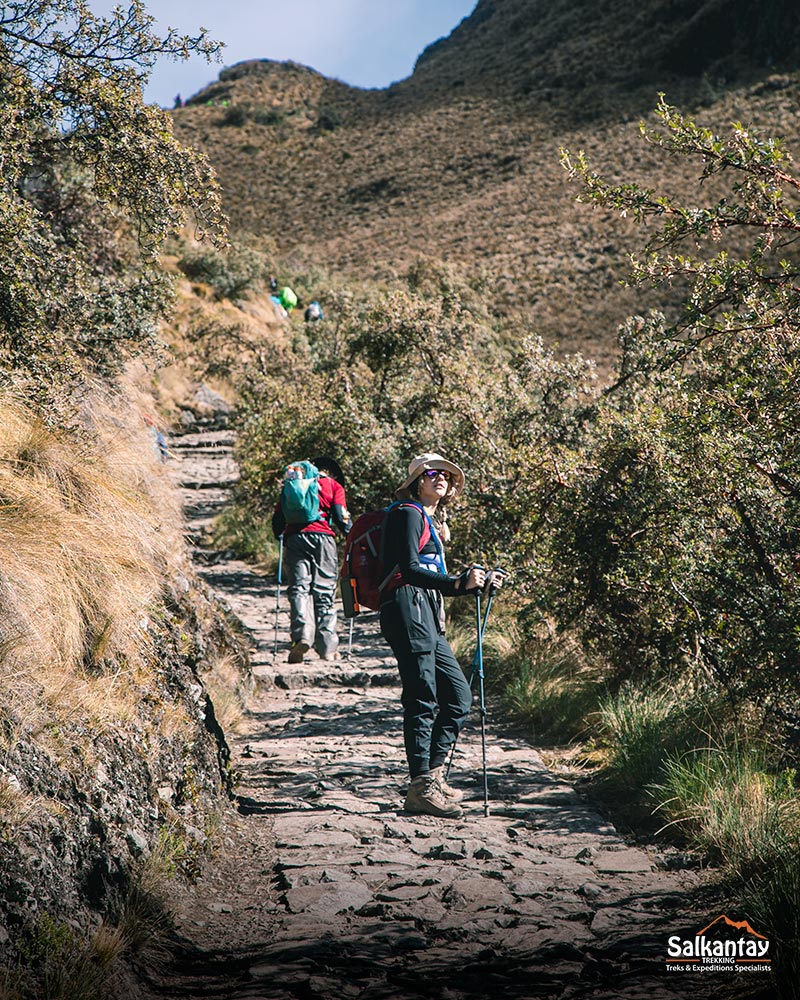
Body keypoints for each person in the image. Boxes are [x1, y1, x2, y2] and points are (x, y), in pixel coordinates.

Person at [380, 452, 502, 819]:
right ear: (417, 481)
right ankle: (420, 788)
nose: (441, 478)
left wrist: (474, 584)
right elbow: (409, 569)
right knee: (422, 697)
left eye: (446, 475)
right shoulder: (407, 513)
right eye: (433, 473)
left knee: (458, 696)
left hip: (426, 610)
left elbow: (430, 574)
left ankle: (432, 776)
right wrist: (456, 583)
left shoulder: (429, 521)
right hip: (407, 607)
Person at [272, 456, 352, 663]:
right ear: (332, 473)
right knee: (324, 590)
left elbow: (278, 520)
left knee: (299, 589)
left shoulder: (293, 484)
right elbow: (340, 516)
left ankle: (301, 637)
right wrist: (351, 532)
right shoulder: (334, 486)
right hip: (323, 539)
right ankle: (327, 647)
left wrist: (282, 534)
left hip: (295, 538)